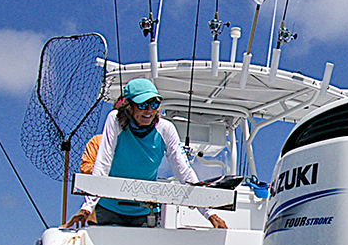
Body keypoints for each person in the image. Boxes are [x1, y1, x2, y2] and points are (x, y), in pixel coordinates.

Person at [65, 78, 228, 229]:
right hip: (108, 209)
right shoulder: (115, 120)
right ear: (129, 107)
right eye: (142, 104)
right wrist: (87, 208)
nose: (149, 110)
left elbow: (183, 171)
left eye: (154, 104)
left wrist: (209, 213)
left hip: (145, 212)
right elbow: (103, 163)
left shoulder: (166, 128)